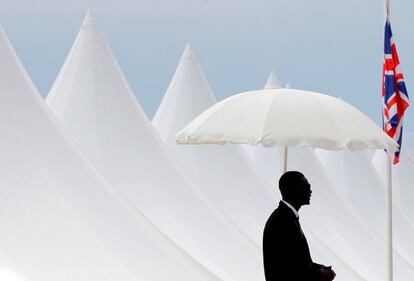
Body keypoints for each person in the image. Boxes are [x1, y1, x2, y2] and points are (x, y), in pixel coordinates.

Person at [263, 171, 336, 281]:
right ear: (293, 190)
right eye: (307, 186)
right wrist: (319, 275)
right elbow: (285, 268)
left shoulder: (287, 217)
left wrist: (320, 268)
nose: (310, 191)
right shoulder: (281, 221)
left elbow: (299, 262)